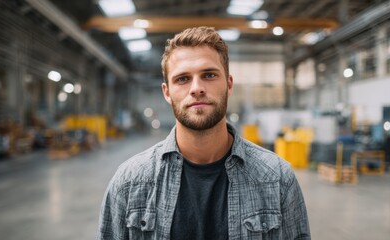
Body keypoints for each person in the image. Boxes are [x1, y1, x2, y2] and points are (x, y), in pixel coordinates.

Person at [97, 26, 311, 240]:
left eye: (209, 75)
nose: (197, 88)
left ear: (228, 84)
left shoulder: (277, 179)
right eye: (182, 79)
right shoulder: (129, 182)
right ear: (167, 92)